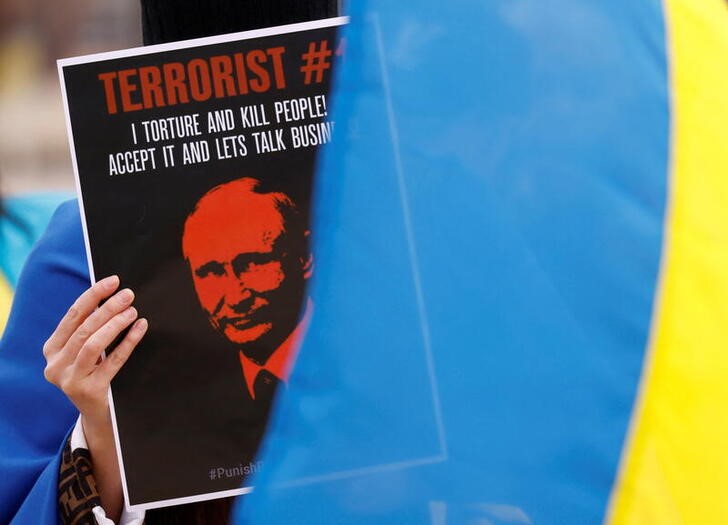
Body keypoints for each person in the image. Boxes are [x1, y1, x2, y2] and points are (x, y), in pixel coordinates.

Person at [0, 2, 338, 524]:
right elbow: (17, 499)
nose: (234, 293)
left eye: (254, 261)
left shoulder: (393, 230)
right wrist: (105, 440)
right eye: (208, 271)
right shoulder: (84, 251)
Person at [182, 178, 313, 403]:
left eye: (252, 263)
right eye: (210, 272)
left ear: (304, 257)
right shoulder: (183, 394)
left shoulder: (374, 350)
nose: (236, 298)